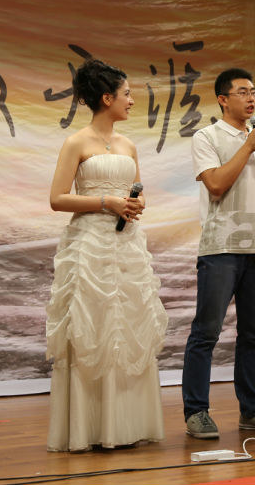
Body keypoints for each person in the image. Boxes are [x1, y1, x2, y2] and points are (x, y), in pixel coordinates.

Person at [45, 59, 168, 451]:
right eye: (127, 94)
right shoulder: (76, 142)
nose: (131, 101)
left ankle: (126, 426)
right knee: (92, 328)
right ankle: (91, 429)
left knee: (126, 327)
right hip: (89, 246)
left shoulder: (128, 145)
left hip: (126, 246)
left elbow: (137, 191)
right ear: (106, 98)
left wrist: (135, 203)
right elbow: (57, 198)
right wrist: (106, 202)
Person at [182, 68, 255, 439]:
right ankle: (196, 411)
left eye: (254, 91)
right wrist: (247, 147)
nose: (251, 98)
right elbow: (215, 185)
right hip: (221, 247)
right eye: (243, 91)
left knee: (254, 335)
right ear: (223, 99)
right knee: (206, 332)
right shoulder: (207, 137)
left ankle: (253, 409)